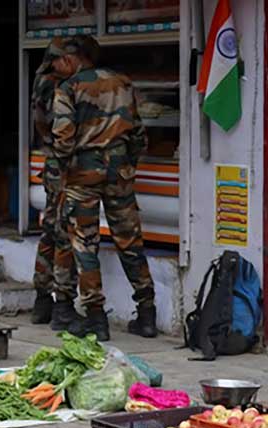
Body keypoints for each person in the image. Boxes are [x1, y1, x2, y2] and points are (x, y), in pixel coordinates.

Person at [50, 36, 157, 341]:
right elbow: (137, 132)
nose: (57, 66)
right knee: (130, 240)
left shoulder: (68, 88)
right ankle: (147, 313)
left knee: (84, 244)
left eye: (59, 60)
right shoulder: (122, 83)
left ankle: (96, 318)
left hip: (83, 175)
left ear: (72, 59)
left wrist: (63, 170)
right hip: (119, 172)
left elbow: (63, 139)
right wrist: (127, 164)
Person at [30, 37, 81, 331]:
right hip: (61, 166)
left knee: (50, 230)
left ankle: (42, 300)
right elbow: (60, 129)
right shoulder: (56, 85)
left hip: (52, 165)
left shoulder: (43, 81)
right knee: (61, 234)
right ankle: (61, 303)